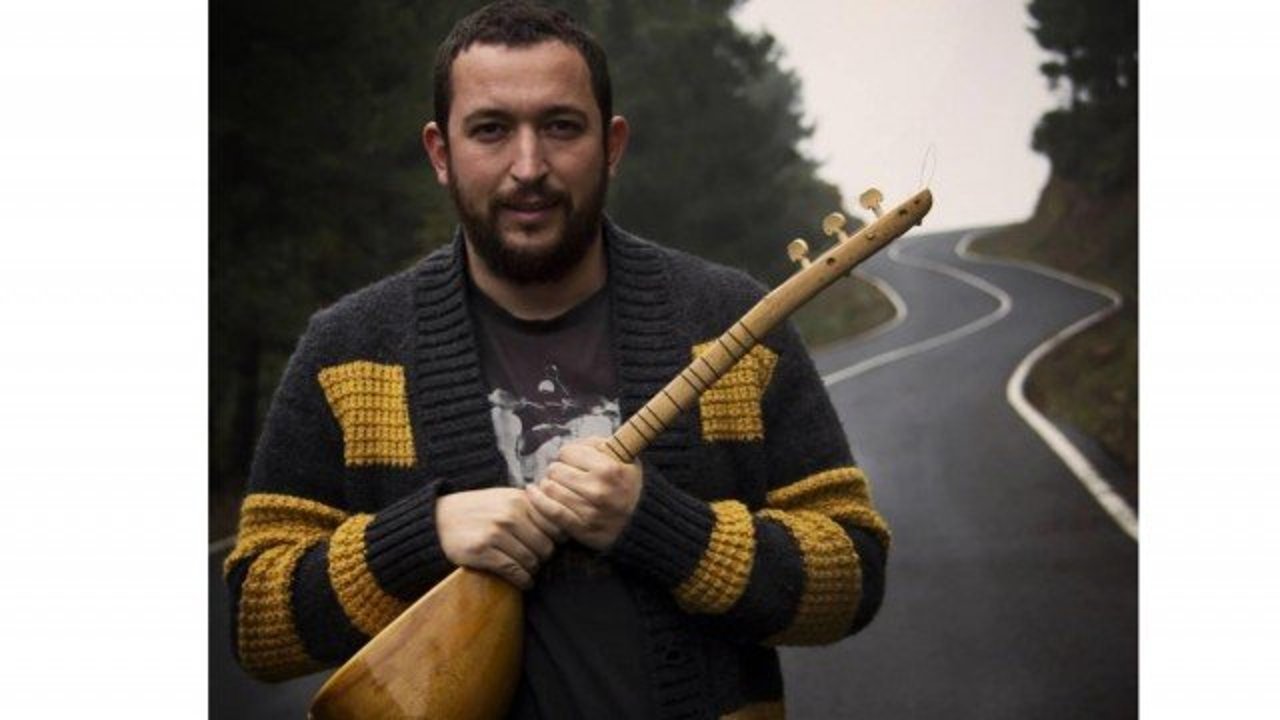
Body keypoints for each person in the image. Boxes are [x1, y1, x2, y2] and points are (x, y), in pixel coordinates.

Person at [223, 2, 889, 717]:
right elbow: (259, 624)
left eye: (561, 127)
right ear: (441, 153)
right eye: (490, 130)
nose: (528, 167)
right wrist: (420, 538)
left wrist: (662, 526)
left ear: (611, 145)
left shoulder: (729, 324)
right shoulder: (350, 351)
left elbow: (853, 578)